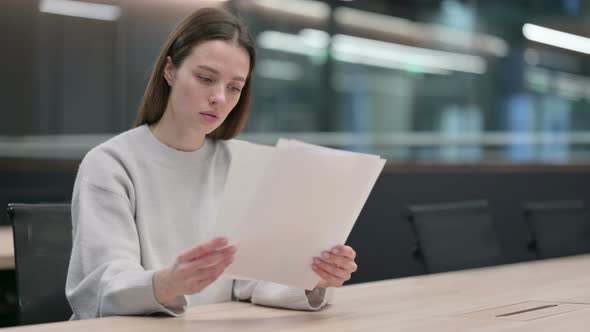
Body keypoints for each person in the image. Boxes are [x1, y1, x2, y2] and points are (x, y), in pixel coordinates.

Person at [65, 7, 357, 319]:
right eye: (206, 78)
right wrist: (168, 283)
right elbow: (102, 288)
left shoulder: (241, 164)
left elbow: (250, 281)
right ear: (170, 70)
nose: (219, 97)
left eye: (234, 87)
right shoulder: (111, 164)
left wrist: (313, 279)